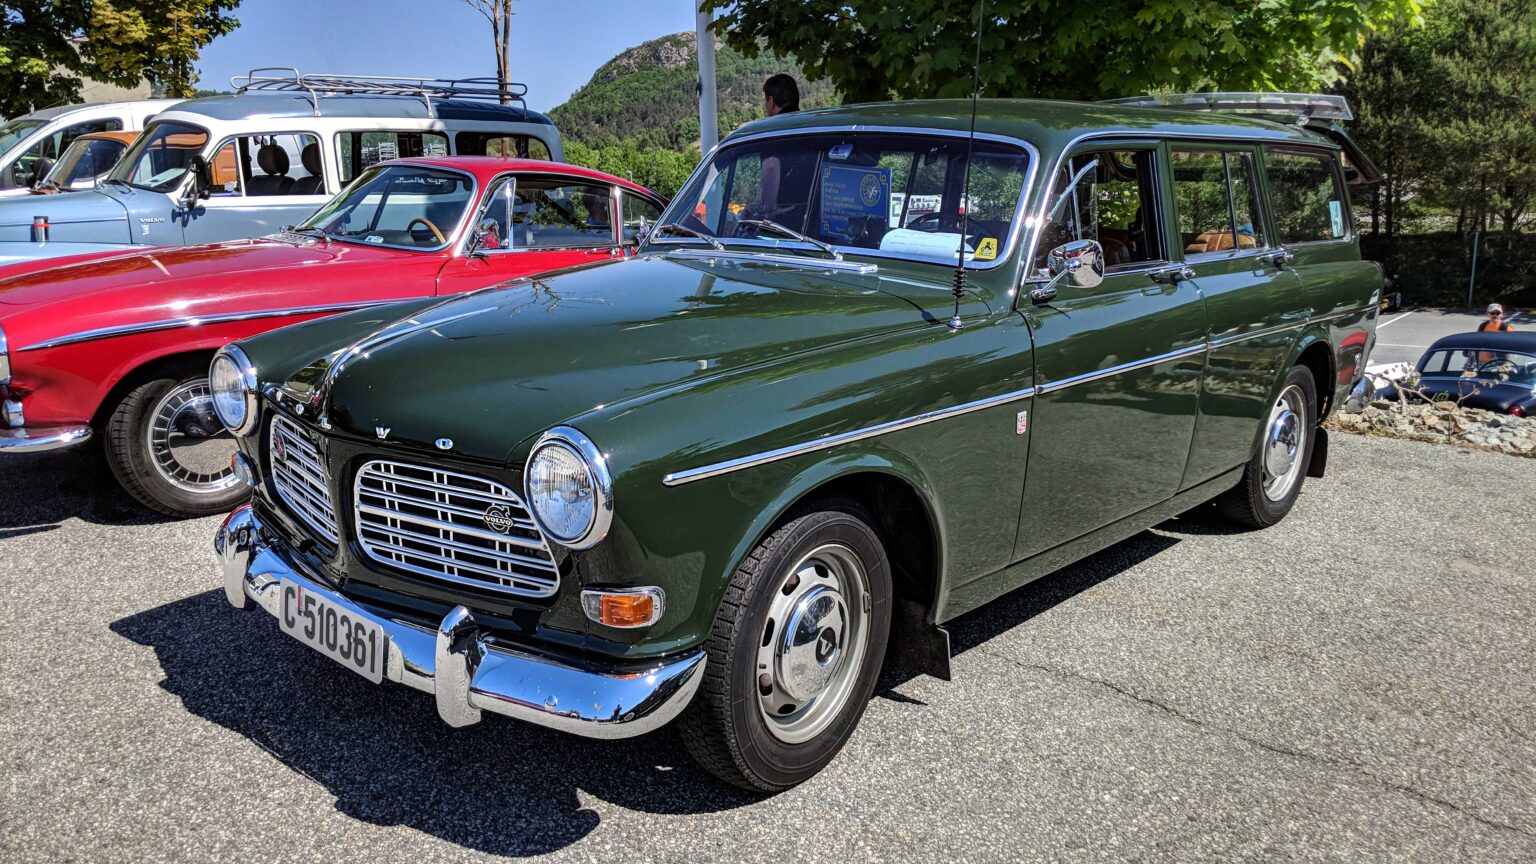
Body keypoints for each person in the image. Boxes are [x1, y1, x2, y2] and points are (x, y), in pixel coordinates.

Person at [759, 74, 803, 221]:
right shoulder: (810, 127)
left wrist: (769, 210)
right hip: (812, 216)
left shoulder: (773, 131)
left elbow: (771, 165)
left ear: (771, 101)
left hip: (783, 221)